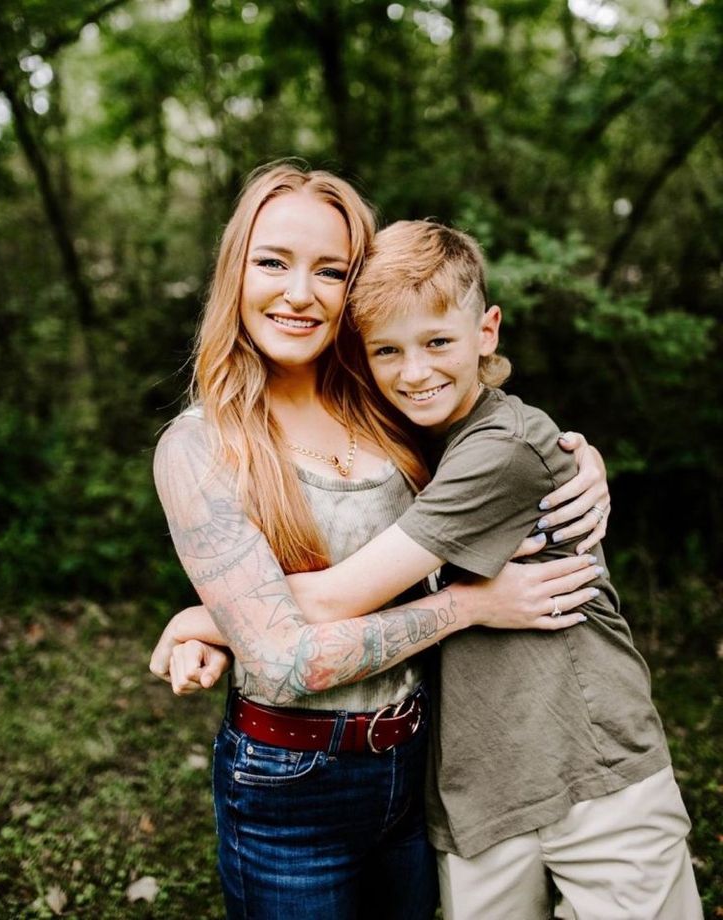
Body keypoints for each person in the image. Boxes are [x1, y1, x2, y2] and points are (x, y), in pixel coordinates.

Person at [148, 162, 610, 920]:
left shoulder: (389, 407)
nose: (299, 293)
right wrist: (471, 608)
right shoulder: (201, 448)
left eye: (329, 270)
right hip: (290, 780)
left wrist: (580, 460)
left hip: (422, 757)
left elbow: (501, 447)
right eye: (273, 262)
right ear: (235, 273)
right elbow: (288, 660)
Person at [279, 218, 698, 920]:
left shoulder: (500, 448)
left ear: (488, 331)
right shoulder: (405, 452)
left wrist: (211, 615)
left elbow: (331, 604)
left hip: (592, 772)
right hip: (477, 793)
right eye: (388, 350)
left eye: (438, 341)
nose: (415, 371)